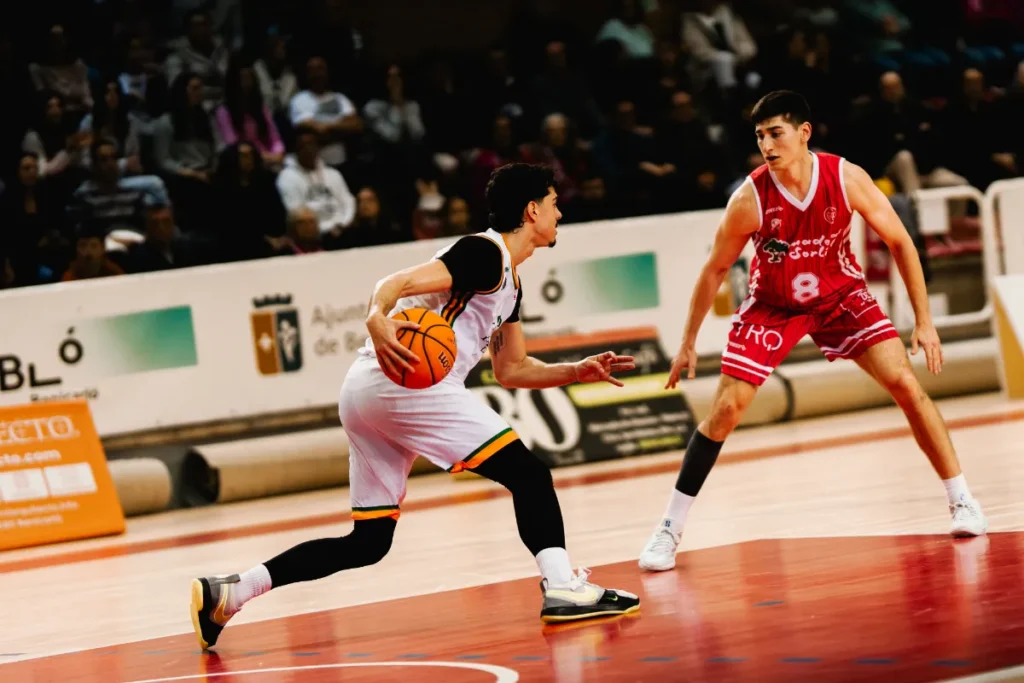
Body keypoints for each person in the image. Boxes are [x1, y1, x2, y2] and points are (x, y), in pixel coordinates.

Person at [190, 163, 641, 650]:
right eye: (554, 203)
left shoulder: (509, 283)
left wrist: (575, 370)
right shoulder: (483, 253)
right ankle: (562, 586)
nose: (560, 212)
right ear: (532, 211)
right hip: (408, 384)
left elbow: (512, 369)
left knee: (369, 542)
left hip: (367, 390)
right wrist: (376, 316)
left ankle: (230, 593)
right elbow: (398, 281)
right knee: (530, 475)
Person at [637, 90, 988, 573]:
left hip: (840, 295)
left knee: (905, 383)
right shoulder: (749, 199)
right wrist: (688, 343)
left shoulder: (845, 177)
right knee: (726, 411)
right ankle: (669, 528)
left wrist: (923, 322)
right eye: (759, 136)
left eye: (775, 133)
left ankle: (962, 500)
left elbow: (900, 241)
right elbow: (715, 269)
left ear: (804, 133)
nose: (767, 145)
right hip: (774, 305)